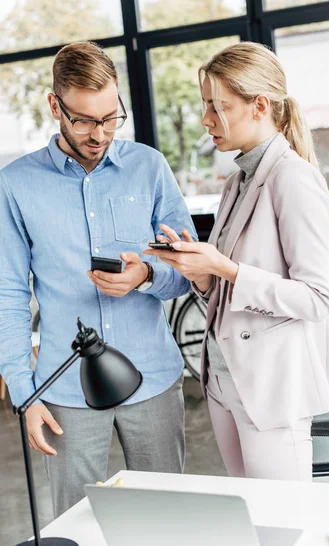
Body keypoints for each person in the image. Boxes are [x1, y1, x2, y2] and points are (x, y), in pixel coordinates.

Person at [0, 41, 197, 517]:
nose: (99, 133)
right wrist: (24, 391)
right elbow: (8, 293)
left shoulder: (150, 167)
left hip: (152, 378)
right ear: (55, 106)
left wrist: (147, 275)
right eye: (85, 119)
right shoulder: (14, 184)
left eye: (111, 117)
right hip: (64, 391)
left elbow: (190, 271)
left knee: (168, 523)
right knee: (76, 529)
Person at [144, 41, 329, 482]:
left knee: (285, 524)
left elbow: (315, 298)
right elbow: (225, 286)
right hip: (223, 380)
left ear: (259, 106)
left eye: (218, 107)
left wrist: (226, 268)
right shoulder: (238, 180)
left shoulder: (293, 177)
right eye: (206, 106)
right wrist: (200, 272)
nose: (206, 121)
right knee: (255, 519)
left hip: (271, 389)